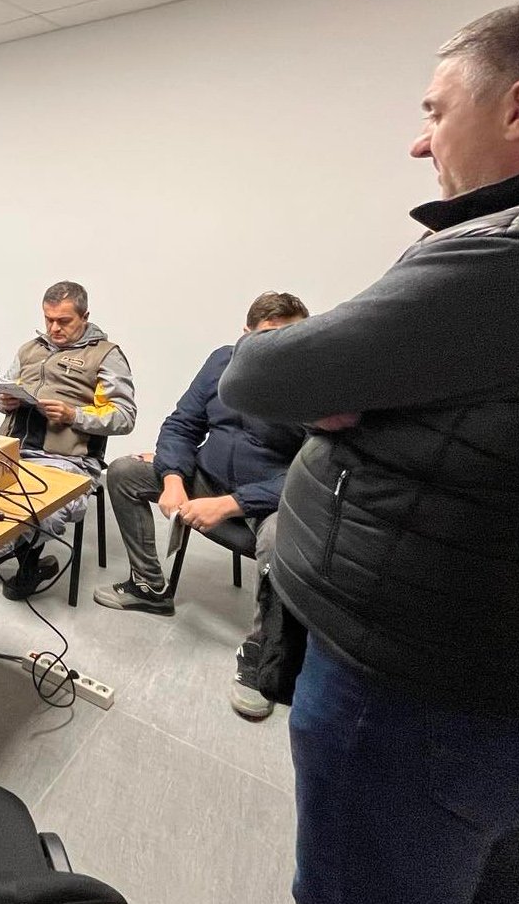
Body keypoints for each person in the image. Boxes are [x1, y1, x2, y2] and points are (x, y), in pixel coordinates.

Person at [220, 0, 519, 904]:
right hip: (518, 665)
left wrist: (346, 395)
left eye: (436, 111)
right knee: (480, 864)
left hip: (420, 690)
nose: (420, 140)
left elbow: (260, 371)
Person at [96, 291, 310, 719]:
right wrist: (173, 478)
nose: (280, 346)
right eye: (268, 335)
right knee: (123, 472)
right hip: (206, 477)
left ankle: (263, 653)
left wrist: (232, 504)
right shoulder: (221, 362)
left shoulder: (315, 385)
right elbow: (181, 424)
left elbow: (310, 470)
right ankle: (150, 587)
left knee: (280, 538)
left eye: (293, 336)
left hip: (270, 499)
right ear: (246, 334)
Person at [0, 281, 136, 599]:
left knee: (37, 508)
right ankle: (1, 545)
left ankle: (21, 560)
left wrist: (74, 415)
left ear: (85, 316)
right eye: (48, 319)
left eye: (64, 321)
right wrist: (3, 401)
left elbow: (125, 416)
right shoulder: (30, 349)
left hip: (68, 458)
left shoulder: (105, 356)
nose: (54, 328)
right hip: (13, 448)